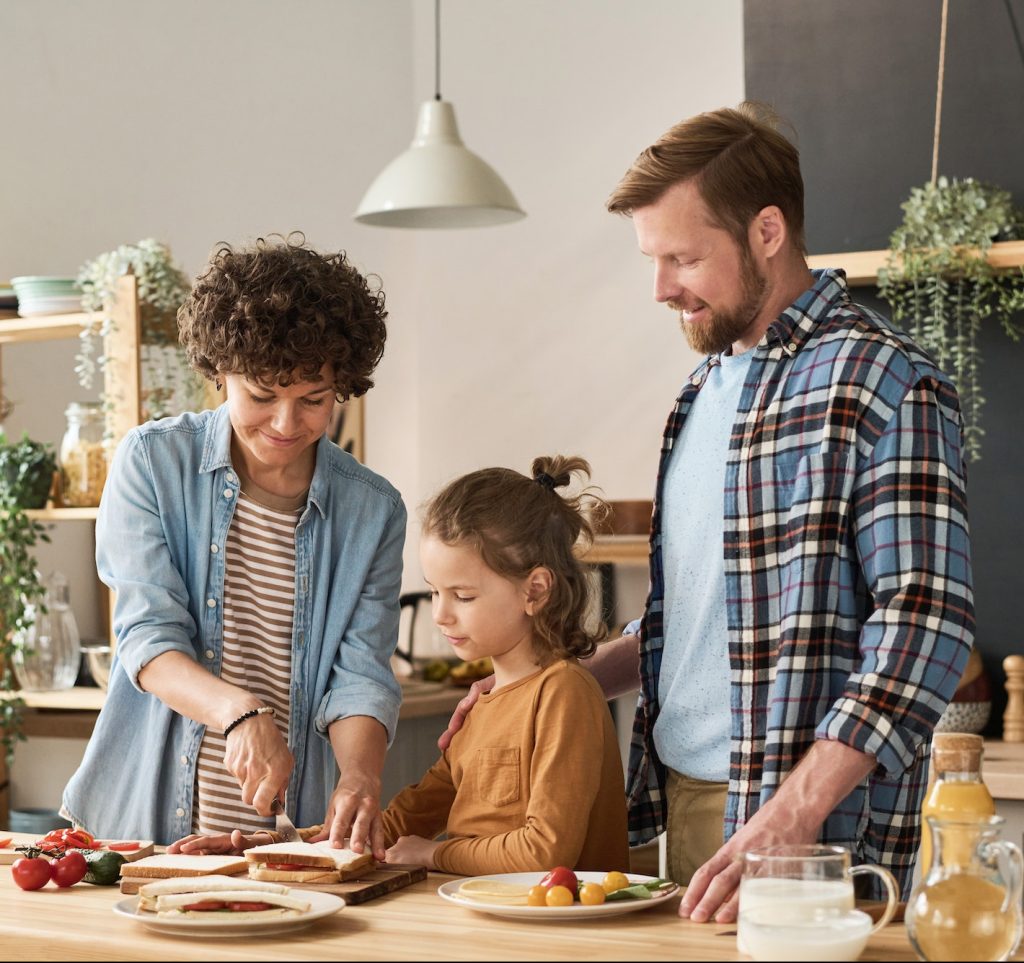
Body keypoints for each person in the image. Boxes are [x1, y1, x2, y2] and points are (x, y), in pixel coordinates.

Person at [443, 102, 974, 920]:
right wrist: (552, 685)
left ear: (768, 231)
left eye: (683, 257)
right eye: (651, 260)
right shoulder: (701, 392)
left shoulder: (885, 383)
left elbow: (925, 625)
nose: (660, 288)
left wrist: (793, 814)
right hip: (682, 800)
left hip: (811, 823)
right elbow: (683, 622)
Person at [62, 234, 406, 857]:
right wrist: (240, 712)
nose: (284, 425)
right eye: (262, 395)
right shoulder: (153, 462)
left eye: (313, 400)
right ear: (219, 372)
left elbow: (360, 677)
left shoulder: (372, 510)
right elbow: (147, 637)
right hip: (141, 825)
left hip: (288, 831)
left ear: (342, 386)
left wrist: (360, 775)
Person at [171, 456, 630, 877]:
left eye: (463, 596)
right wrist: (266, 846)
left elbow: (546, 853)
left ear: (535, 591)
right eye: (434, 592)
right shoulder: (480, 707)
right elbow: (391, 825)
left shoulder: (564, 695)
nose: (440, 614)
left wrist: (433, 854)